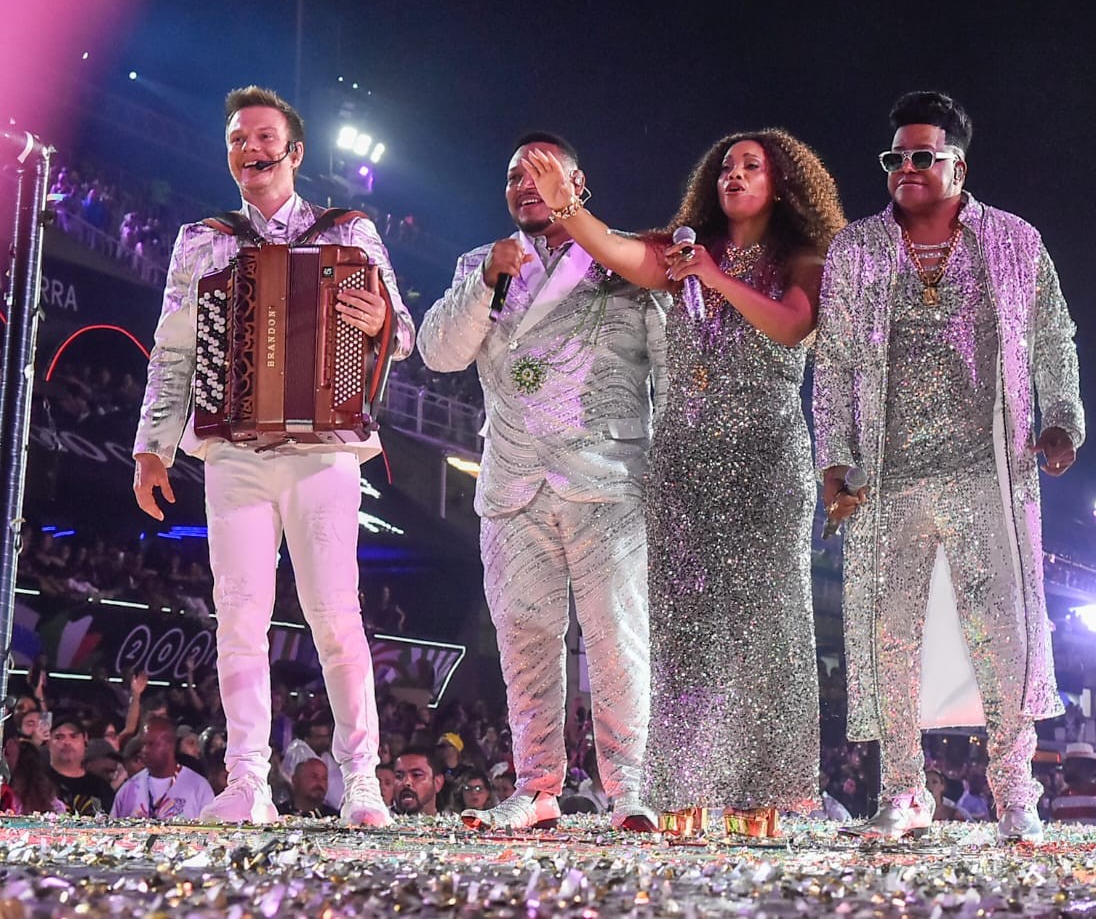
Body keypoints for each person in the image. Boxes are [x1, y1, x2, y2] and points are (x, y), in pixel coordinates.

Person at [519, 128, 844, 840]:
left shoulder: (806, 258)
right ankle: (684, 787)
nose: (733, 175)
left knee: (767, 627)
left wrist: (713, 278)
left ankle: (763, 792)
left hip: (766, 458)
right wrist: (568, 208)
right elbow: (615, 248)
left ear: (782, 183)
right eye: (725, 165)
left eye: (750, 166)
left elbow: (791, 327)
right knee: (686, 627)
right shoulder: (685, 249)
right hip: (685, 456)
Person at [131, 85, 413, 828]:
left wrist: (382, 316)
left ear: (294, 152)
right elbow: (172, 351)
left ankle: (363, 782)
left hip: (324, 452)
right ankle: (247, 779)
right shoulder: (203, 239)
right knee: (239, 615)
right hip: (236, 452)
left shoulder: (349, 231)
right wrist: (150, 449)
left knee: (333, 615)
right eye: (236, 139)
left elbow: (405, 334)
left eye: (261, 137)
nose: (248, 148)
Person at [813, 92, 1084, 844]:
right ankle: (902, 790)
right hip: (888, 472)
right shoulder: (857, 249)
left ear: (958, 165)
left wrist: (1060, 418)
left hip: (986, 470)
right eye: (894, 157)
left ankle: (1014, 793)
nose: (905, 168)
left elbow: (1056, 335)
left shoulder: (1014, 241)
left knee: (1000, 628)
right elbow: (832, 364)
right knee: (889, 632)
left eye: (922, 156)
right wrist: (835, 455)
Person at [418, 131, 663, 833]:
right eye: (512, 177)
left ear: (577, 183)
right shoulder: (482, 262)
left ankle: (630, 789)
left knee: (618, 640)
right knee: (525, 639)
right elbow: (438, 351)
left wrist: (670, 462)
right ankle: (537, 786)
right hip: (514, 482)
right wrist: (484, 279)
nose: (524, 186)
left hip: (608, 478)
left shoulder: (624, 258)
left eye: (541, 174)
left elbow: (668, 363)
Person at [111, 717, 215, 820]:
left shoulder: (199, 787)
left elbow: (212, 833)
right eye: (143, 744)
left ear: (169, 745)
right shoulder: (128, 789)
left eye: (151, 744)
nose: (144, 750)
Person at [47, 716, 116, 816]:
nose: (67, 742)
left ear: (85, 740)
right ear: (49, 743)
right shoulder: (37, 782)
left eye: (73, 736)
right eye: (59, 737)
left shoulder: (101, 786)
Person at [280, 752, 340, 818]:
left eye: (324, 778)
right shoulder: (276, 815)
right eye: (314, 776)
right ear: (295, 780)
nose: (320, 782)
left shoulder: (335, 819)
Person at [392, 747, 445, 818]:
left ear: (437, 782)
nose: (406, 782)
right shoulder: (378, 823)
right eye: (399, 776)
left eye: (416, 775)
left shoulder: (455, 827)